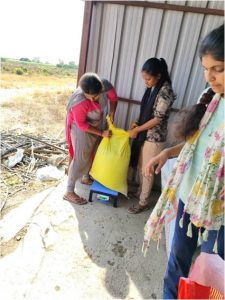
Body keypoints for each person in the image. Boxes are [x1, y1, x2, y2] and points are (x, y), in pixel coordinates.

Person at [143, 24, 224, 299]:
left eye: (219, 69)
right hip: (190, 199)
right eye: (206, 68)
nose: (210, 77)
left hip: (218, 212)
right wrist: (167, 153)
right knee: (177, 265)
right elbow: (196, 145)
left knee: (213, 277)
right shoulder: (210, 99)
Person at [128, 58, 176, 214]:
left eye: (148, 79)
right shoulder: (153, 88)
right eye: (144, 79)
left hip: (155, 139)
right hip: (145, 136)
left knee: (147, 171)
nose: (146, 82)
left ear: (159, 75)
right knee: (143, 167)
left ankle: (143, 202)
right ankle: (140, 192)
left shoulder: (165, 91)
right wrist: (137, 123)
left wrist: (137, 130)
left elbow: (157, 118)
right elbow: (146, 112)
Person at [63, 73, 118, 204]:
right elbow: (82, 125)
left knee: (91, 151)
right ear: (84, 93)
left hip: (95, 124)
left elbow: (114, 98)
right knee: (80, 157)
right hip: (79, 127)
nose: (94, 99)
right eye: (91, 97)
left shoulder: (105, 85)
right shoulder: (79, 101)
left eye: (97, 96)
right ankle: (69, 191)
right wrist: (101, 133)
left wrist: (111, 112)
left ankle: (85, 177)